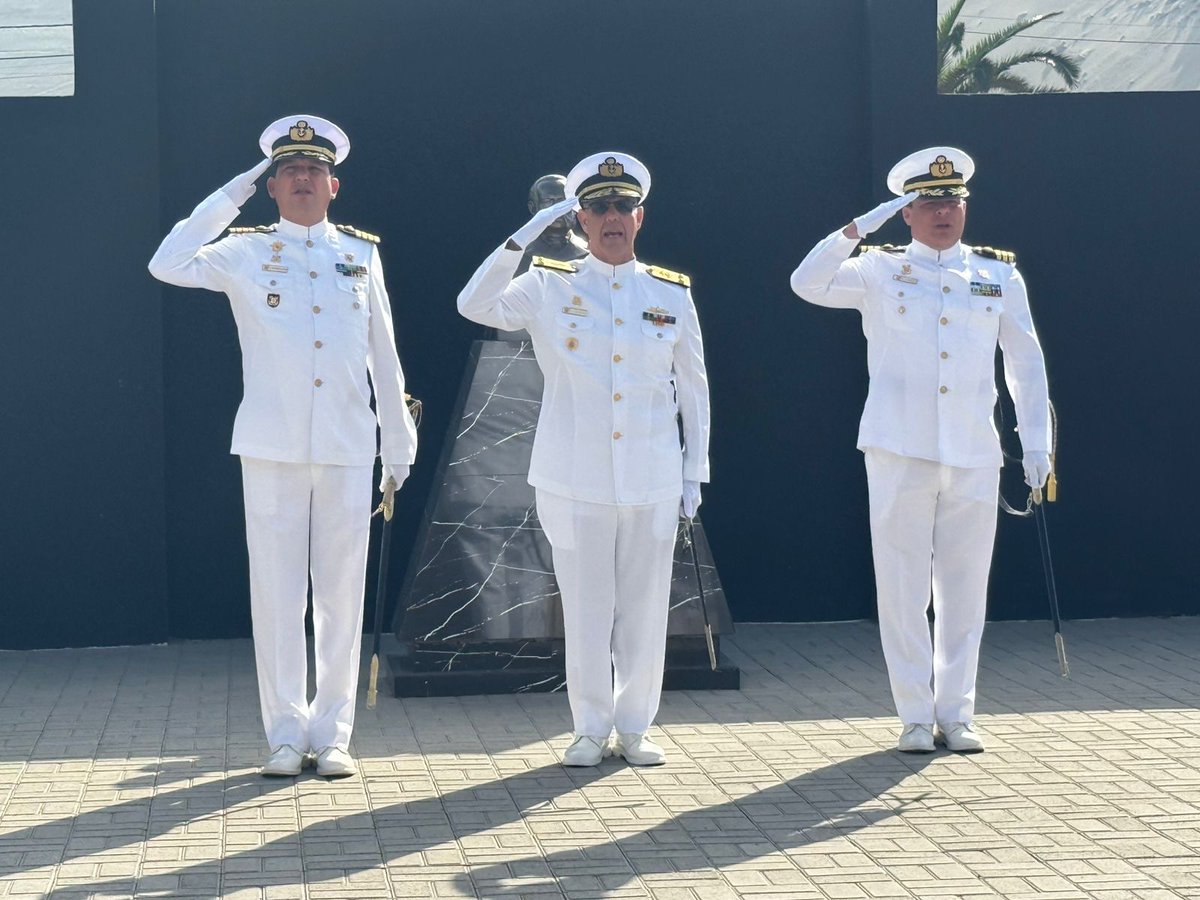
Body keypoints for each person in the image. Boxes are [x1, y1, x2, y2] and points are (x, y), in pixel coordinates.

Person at [148, 115, 418, 778]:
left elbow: (383, 355)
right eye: (288, 171)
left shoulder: (361, 253)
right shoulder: (244, 250)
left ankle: (334, 734)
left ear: (334, 183)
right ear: (272, 186)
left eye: (312, 170)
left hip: (348, 445)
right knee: (275, 594)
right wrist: (234, 190)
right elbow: (166, 262)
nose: (301, 179)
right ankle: (284, 734)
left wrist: (398, 439)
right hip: (270, 445)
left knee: (338, 594)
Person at [789, 147, 1050, 754]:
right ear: (906, 212)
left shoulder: (997, 275)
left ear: (965, 207)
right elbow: (807, 282)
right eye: (927, 202)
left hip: (973, 449)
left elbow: (1026, 364)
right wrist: (861, 227)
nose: (942, 211)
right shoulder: (878, 270)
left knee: (965, 586)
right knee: (902, 585)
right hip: (899, 448)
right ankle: (912, 712)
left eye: (952, 200)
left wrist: (1036, 443)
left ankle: (956, 712)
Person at [457, 152, 710, 766]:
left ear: (639, 217)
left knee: (645, 609)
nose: (612, 218)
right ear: (581, 217)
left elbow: (694, 388)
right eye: (598, 207)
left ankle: (637, 727)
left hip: (651, 475)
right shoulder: (547, 283)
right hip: (574, 477)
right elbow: (474, 303)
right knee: (587, 607)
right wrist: (523, 236)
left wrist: (694, 472)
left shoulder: (669, 293)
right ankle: (590, 728)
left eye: (622, 206)